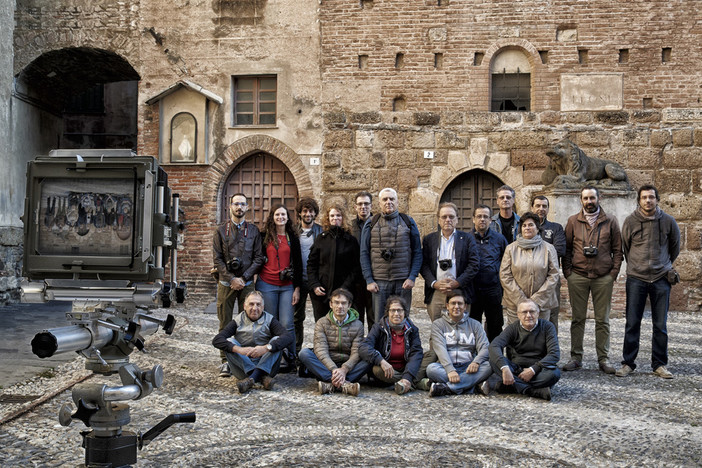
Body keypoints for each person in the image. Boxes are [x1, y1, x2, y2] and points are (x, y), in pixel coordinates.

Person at [616, 185, 680, 379]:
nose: (648, 201)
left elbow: (675, 247)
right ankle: (628, 363)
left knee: (660, 324)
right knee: (632, 322)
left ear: (657, 199)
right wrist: (637, 266)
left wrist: (664, 264)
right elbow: (625, 247)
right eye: (644, 197)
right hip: (637, 278)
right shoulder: (630, 221)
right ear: (639, 200)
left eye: (651, 197)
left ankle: (659, 364)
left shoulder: (668, 221)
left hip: (661, 278)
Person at [562, 186, 623, 374]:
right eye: (586, 198)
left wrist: (613, 274)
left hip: (603, 277)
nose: (589, 202)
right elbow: (567, 249)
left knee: (602, 320)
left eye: (592, 198)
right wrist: (568, 273)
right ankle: (576, 357)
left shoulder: (610, 221)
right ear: (581, 200)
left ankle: (603, 359)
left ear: (599, 198)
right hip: (578, 276)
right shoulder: (573, 221)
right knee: (577, 319)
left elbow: (618, 250)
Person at [213, 193, 265, 377]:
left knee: (250, 321)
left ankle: (249, 358)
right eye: (236, 204)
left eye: (243, 204)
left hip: (248, 282)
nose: (239, 207)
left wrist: (243, 277)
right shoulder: (220, 231)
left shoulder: (254, 231)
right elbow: (217, 259)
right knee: (225, 321)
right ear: (230, 206)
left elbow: (259, 257)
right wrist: (231, 278)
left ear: (247, 207)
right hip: (226, 282)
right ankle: (225, 360)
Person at [360, 187, 422, 328]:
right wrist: (369, 279)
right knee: (380, 322)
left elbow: (417, 251)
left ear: (397, 202)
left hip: (403, 281)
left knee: (402, 320)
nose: (388, 202)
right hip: (379, 282)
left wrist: (412, 277)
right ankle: (381, 350)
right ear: (379, 203)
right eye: (385, 199)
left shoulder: (408, 221)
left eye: (392, 199)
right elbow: (364, 253)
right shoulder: (371, 223)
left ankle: (402, 349)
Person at [212, 291, 293, 393]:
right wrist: (239, 349)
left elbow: (288, 337)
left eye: (258, 304)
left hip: (268, 367)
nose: (255, 308)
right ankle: (261, 377)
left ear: (263, 307)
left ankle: (252, 379)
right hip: (243, 368)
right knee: (229, 341)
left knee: (276, 341)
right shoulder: (237, 321)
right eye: (251, 304)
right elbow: (217, 340)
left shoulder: (270, 320)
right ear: (244, 306)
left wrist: (265, 348)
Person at [256, 204, 303, 371]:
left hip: (287, 286)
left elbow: (298, 264)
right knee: (269, 322)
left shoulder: (292, 237)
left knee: (287, 323)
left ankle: (290, 357)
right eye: (277, 214)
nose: (280, 217)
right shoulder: (264, 236)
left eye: (283, 214)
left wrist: (297, 288)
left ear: (287, 217)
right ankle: (271, 357)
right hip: (266, 283)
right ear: (272, 217)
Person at [298, 288, 370, 396]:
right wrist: (334, 369)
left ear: (349, 305)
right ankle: (344, 385)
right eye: (336, 302)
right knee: (304, 353)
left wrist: (344, 369)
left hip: (348, 366)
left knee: (370, 357)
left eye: (343, 303)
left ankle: (330, 384)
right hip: (327, 365)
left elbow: (356, 351)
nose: (340, 306)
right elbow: (320, 350)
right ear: (331, 304)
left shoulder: (358, 325)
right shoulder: (322, 323)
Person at [489, 299, 560, 401]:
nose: (528, 315)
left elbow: (554, 354)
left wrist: (533, 370)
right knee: (493, 361)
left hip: (539, 370)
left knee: (554, 374)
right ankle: (532, 390)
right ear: (518, 315)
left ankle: (511, 385)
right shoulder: (512, 328)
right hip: (516, 369)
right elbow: (494, 346)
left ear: (538, 313)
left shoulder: (548, 327)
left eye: (532, 311)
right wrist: (505, 368)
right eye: (524, 312)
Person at [420, 202, 480, 321]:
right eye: (444, 217)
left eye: (451, 217)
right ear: (438, 220)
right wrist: (434, 283)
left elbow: (474, 265)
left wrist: (457, 282)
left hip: (460, 290)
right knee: (437, 328)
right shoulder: (429, 239)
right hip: (437, 291)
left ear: (457, 219)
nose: (448, 220)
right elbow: (423, 265)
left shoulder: (467, 239)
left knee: (460, 328)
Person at [426, 291, 492, 397]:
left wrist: (476, 362)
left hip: (469, 367)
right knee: (431, 369)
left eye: (460, 303)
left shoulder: (475, 325)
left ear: (465, 306)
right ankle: (472, 385)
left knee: (489, 365)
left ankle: (446, 388)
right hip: (446, 367)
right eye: (453, 303)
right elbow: (440, 349)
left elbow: (485, 347)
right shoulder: (438, 325)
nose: (456, 306)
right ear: (447, 306)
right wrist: (450, 370)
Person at [500, 212, 560, 324]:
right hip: (515, 304)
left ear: (537, 228)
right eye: (524, 225)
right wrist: (521, 300)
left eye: (531, 225)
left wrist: (536, 300)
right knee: (516, 337)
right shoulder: (510, 249)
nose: (527, 228)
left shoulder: (549, 248)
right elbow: (505, 275)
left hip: (542, 304)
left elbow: (554, 274)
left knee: (539, 336)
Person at [358, 296, 423, 395]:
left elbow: (416, 353)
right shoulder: (379, 327)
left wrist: (407, 375)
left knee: (430, 355)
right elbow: (364, 347)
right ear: (387, 312)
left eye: (399, 310)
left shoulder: (413, 329)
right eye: (392, 310)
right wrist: (381, 361)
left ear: (405, 312)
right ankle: (415, 382)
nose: (396, 314)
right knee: (376, 370)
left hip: (406, 367)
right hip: (387, 370)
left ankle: (405, 381)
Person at [307, 203, 361, 321]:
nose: (335, 218)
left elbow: (356, 268)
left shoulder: (351, 240)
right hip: (322, 292)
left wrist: (345, 288)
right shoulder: (321, 239)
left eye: (338, 215)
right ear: (328, 218)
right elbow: (311, 265)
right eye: (332, 216)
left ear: (343, 218)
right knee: (323, 326)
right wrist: (315, 285)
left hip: (344, 291)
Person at [470, 204, 508, 341]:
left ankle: (494, 357)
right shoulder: (466, 239)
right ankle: (474, 356)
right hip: (472, 290)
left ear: (491, 220)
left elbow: (506, 263)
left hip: (493, 289)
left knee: (495, 326)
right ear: (473, 219)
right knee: (472, 325)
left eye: (485, 216)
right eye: (479, 216)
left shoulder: (500, 239)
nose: (482, 219)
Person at [293, 197, 323, 356]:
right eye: (304, 211)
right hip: (298, 281)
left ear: (315, 213)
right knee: (297, 318)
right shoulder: (293, 232)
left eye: (311, 211)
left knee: (320, 319)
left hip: (316, 280)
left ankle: (320, 353)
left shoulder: (321, 231)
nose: (308, 214)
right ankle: (296, 351)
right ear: (299, 213)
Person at [531, 195, 566, 333]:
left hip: (550, 278)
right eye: (538, 206)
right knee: (529, 312)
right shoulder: (523, 227)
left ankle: (552, 348)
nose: (541, 209)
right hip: (528, 277)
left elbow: (559, 250)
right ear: (532, 207)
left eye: (544, 206)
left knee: (552, 314)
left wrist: (534, 254)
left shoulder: (555, 228)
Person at [350, 191, 374, 329]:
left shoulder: (377, 224)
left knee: (373, 316)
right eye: (360, 204)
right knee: (356, 317)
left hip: (372, 277)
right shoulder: (351, 226)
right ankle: (357, 347)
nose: (363, 207)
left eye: (366, 204)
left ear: (371, 206)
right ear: (355, 207)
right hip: (356, 280)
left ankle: (371, 347)